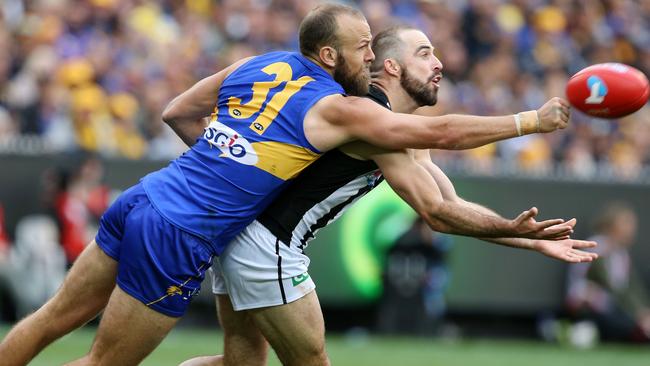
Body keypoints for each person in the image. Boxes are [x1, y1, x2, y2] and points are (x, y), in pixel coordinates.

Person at [0, 5, 572, 365]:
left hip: (151, 195)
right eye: (364, 49)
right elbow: (440, 181)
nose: (370, 58)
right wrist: (529, 121)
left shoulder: (262, 64)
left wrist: (224, 163)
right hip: (202, 232)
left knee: (59, 319)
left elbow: (178, 111)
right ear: (331, 55)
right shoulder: (349, 111)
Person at [179, 25, 596, 366]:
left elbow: (451, 207)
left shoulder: (400, 130)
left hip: (241, 234)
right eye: (425, 53)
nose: (440, 63)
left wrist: (530, 239)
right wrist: (530, 122)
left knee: (242, 364)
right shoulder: (372, 119)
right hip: (265, 244)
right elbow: (437, 211)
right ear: (392, 66)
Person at [566, 202, 650, 343]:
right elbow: (612, 286)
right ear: (611, 226)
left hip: (612, 305)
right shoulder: (597, 246)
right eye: (626, 223)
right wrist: (639, 315)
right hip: (587, 307)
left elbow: (628, 287)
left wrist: (644, 310)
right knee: (628, 323)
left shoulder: (621, 253)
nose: (631, 229)